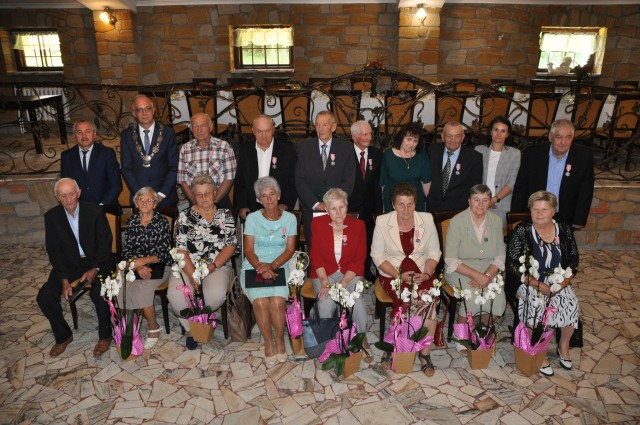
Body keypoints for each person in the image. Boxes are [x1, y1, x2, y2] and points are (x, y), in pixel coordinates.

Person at [37, 178, 115, 357]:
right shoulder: (52, 217)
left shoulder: (94, 210)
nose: (68, 199)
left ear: (78, 193)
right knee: (45, 296)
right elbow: (54, 251)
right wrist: (64, 279)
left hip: (99, 261)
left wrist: (94, 268)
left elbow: (105, 244)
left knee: (99, 292)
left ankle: (105, 336)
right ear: (58, 198)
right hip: (70, 264)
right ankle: (63, 336)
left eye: (71, 194)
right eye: (63, 196)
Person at [506, 191, 580, 377]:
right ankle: (539, 350)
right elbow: (513, 264)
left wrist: (561, 284)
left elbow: (573, 261)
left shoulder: (563, 229)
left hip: (557, 280)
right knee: (536, 306)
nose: (539, 213)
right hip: (529, 281)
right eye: (535, 209)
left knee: (571, 303)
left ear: (553, 211)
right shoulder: (522, 230)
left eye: (544, 209)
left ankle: (563, 346)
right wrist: (538, 285)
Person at [371, 183, 441, 376]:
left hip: (421, 269)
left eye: (410, 204)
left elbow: (435, 251)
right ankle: (393, 346)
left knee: (431, 301)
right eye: (401, 204)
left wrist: (427, 274)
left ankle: (424, 354)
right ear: (393, 204)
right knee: (406, 300)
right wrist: (397, 275)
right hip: (394, 272)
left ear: (415, 204)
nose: (406, 209)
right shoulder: (383, 222)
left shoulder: (426, 219)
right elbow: (377, 256)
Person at [167, 175, 237, 350]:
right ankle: (192, 329)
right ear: (193, 196)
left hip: (217, 266)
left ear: (214, 194)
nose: (204, 198)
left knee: (215, 294)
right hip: (188, 265)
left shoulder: (225, 215)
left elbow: (230, 246)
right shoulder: (183, 217)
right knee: (175, 296)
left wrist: (211, 268)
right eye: (199, 194)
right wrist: (193, 276)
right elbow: (181, 250)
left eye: (207, 193)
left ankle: (204, 319)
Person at [241, 177, 297, 366]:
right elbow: (248, 250)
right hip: (253, 264)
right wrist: (260, 267)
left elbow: (290, 250)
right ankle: (268, 342)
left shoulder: (290, 219)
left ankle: (280, 339)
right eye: (264, 196)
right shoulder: (252, 218)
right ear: (259, 199)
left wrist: (272, 266)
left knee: (277, 301)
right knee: (260, 303)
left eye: (272, 194)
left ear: (278, 195)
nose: (269, 199)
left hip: (280, 264)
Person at [444, 184, 506, 353]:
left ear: (490, 202)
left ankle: (482, 328)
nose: (480, 205)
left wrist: (487, 275)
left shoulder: (496, 221)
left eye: (485, 200)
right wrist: (477, 276)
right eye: (476, 200)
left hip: (488, 268)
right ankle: (460, 334)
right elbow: (450, 258)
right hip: (461, 268)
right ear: (469, 201)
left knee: (497, 297)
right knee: (470, 295)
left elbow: (500, 255)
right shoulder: (457, 221)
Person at [512, 119, 594, 229]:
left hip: (565, 217)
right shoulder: (532, 154)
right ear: (551, 137)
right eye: (559, 137)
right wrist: (516, 217)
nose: (563, 142)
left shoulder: (583, 157)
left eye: (568, 137)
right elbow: (520, 187)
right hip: (535, 215)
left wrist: (580, 219)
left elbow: (586, 191)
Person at [118, 187, 172, 350]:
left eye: (149, 200)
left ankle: (153, 326)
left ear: (155, 204)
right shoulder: (132, 221)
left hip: (160, 265)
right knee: (122, 287)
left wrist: (142, 262)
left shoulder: (161, 221)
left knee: (142, 289)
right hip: (136, 264)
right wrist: (137, 265)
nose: (144, 203)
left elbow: (162, 252)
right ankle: (130, 326)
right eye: (140, 199)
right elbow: (127, 250)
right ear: (135, 203)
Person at [310, 188, 367, 337]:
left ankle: (360, 340)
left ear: (347, 207)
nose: (338, 212)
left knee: (357, 300)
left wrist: (343, 284)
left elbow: (359, 259)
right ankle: (327, 342)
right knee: (325, 301)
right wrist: (325, 283)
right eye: (333, 208)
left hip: (350, 274)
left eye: (341, 207)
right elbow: (316, 257)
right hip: (324, 275)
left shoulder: (359, 225)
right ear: (327, 210)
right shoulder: (317, 224)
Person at [295, 111, 356, 243]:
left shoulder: (346, 149)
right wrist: (315, 204)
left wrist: (334, 204)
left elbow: (349, 180)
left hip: (337, 209)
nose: (320, 129)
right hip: (311, 209)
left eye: (324, 125)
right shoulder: (304, 147)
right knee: (314, 248)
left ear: (333, 127)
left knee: (337, 246)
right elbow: (299, 180)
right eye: (317, 125)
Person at [121, 95, 179, 206]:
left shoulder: (168, 133)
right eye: (139, 110)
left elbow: (174, 167)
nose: (144, 113)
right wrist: (140, 195)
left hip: (165, 198)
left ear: (153, 110)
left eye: (147, 109)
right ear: (134, 113)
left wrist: (162, 194)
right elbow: (126, 168)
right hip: (139, 199)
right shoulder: (127, 135)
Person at [235, 115, 297, 219]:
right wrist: (242, 205)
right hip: (252, 207)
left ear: (273, 130)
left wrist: (286, 203)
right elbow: (240, 181)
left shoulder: (287, 149)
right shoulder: (245, 150)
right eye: (259, 131)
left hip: (279, 206)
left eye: (267, 131)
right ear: (253, 131)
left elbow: (293, 180)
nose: (263, 135)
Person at [178, 112, 236, 209]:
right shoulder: (185, 149)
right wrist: (194, 200)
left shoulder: (224, 147)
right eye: (195, 127)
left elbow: (229, 178)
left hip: (219, 200)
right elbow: (182, 180)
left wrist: (214, 200)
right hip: (195, 201)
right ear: (191, 129)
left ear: (211, 127)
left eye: (203, 126)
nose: (199, 130)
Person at [348, 120, 382, 281]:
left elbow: (377, 184)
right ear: (355, 137)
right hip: (349, 206)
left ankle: (366, 269)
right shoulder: (345, 153)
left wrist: (378, 210)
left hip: (369, 207)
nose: (370, 137)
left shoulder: (376, 154)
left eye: (370, 134)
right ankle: (349, 269)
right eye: (365, 134)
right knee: (350, 241)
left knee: (368, 240)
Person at [425, 121, 483, 213]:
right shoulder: (432, 150)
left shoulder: (474, 157)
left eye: (457, 136)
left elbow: (475, 188)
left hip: (458, 211)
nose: (453, 140)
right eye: (449, 136)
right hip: (432, 208)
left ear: (463, 137)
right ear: (442, 136)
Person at [60, 119, 122, 206]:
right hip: (79, 209)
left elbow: (116, 186)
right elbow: (65, 187)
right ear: (74, 135)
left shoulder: (107, 153)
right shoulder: (66, 156)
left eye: (88, 131)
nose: (84, 136)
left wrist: (101, 206)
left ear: (94, 134)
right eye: (79, 132)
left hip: (106, 207)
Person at [475, 116, 521, 229]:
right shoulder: (479, 150)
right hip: (479, 204)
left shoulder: (514, 154)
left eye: (503, 131)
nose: (499, 134)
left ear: (507, 134)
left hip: (501, 206)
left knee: (495, 240)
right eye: (496, 130)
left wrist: (495, 199)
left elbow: (512, 181)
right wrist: (483, 200)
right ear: (490, 131)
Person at [379, 122, 431, 212]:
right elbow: (382, 184)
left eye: (415, 141)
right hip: (393, 203)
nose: (412, 144)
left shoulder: (422, 155)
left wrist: (428, 205)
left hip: (415, 203)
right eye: (409, 139)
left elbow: (426, 182)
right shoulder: (388, 155)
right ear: (402, 138)